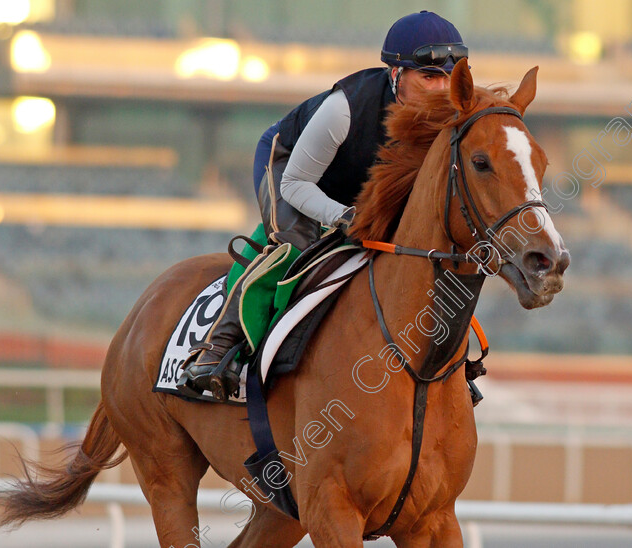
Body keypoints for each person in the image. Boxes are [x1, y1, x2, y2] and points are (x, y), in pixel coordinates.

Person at [178, 11, 469, 401]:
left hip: (357, 188)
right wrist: (343, 216)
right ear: (396, 75)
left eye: (450, 78)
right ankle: (218, 347)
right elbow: (296, 184)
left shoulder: (453, 117)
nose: (442, 90)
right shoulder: (345, 107)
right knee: (294, 242)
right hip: (289, 168)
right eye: (429, 77)